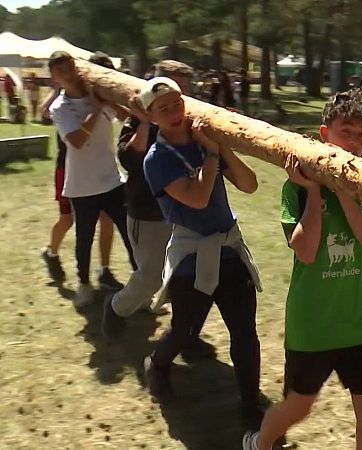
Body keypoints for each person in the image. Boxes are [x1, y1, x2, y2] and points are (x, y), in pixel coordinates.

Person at [243, 88, 362, 450]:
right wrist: (315, 192)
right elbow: (306, 251)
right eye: (346, 130)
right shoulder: (296, 188)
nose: (353, 142)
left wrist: (344, 194)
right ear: (325, 134)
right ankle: (260, 442)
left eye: (361, 135)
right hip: (313, 324)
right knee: (299, 405)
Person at [140, 76, 266, 428]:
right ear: (151, 117)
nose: (173, 111)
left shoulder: (204, 142)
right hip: (192, 258)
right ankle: (158, 363)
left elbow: (250, 184)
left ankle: (249, 403)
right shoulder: (156, 159)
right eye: (162, 108)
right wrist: (211, 153)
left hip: (229, 250)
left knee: (244, 332)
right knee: (184, 329)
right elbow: (196, 198)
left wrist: (221, 147)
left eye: (177, 102)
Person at [103, 60, 214, 343]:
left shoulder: (187, 118)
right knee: (151, 276)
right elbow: (130, 159)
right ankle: (116, 309)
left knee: (186, 274)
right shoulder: (140, 117)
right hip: (148, 213)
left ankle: (184, 333)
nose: (177, 100)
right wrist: (142, 121)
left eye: (183, 91)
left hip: (182, 211)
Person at [48, 51, 136, 308]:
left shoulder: (96, 96)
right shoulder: (59, 108)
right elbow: (76, 141)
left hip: (111, 180)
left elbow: (123, 116)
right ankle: (84, 286)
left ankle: (142, 287)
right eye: (60, 71)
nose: (67, 73)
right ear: (54, 77)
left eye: (70, 67)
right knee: (83, 239)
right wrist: (96, 110)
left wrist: (112, 96)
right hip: (81, 186)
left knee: (130, 237)